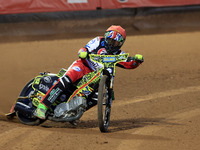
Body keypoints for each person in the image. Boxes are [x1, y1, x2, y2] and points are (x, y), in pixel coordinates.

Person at [34, 25, 144, 119]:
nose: (110, 44)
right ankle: (42, 106)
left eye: (114, 42)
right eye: (109, 40)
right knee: (67, 79)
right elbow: (84, 48)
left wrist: (136, 61)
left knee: (96, 96)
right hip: (83, 66)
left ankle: (72, 113)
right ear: (105, 37)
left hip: (96, 76)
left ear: (120, 43)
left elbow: (129, 64)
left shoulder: (119, 54)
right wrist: (83, 52)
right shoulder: (98, 41)